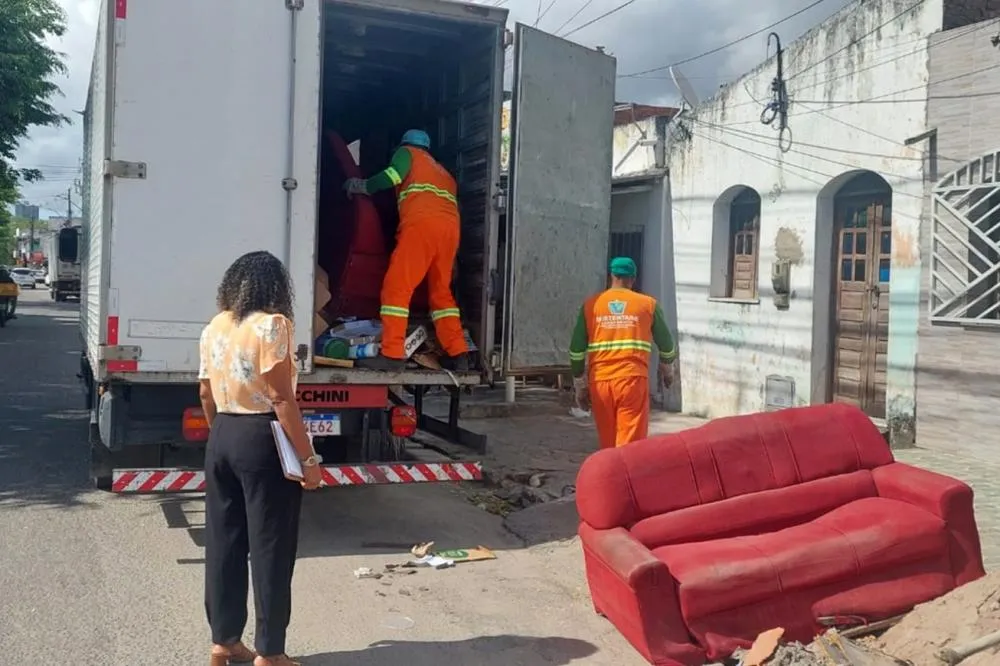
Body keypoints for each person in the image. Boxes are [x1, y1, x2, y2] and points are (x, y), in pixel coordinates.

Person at [198, 251, 323, 666]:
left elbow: (203, 392)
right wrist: (308, 460)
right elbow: (282, 398)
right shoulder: (273, 326)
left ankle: (224, 641)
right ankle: (270, 652)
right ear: (275, 288)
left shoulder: (215, 326)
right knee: (271, 546)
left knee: (224, 542)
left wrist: (222, 431)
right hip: (261, 436)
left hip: (222, 435)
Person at [343, 129, 469, 372]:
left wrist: (363, 186)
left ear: (404, 144)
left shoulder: (407, 153)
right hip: (450, 231)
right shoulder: (445, 174)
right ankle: (458, 353)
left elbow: (391, 177)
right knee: (441, 294)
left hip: (421, 226)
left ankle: (391, 354)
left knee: (397, 288)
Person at [568, 257, 677, 450]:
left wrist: (579, 383)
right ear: (633, 279)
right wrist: (667, 367)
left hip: (600, 382)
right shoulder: (648, 305)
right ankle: (626, 479)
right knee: (630, 447)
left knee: (608, 444)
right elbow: (666, 344)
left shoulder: (591, 306)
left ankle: (611, 478)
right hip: (632, 381)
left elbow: (576, 350)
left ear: (611, 276)